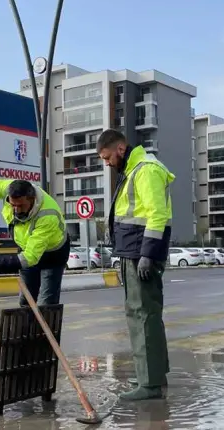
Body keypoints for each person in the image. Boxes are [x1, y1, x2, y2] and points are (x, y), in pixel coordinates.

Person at [96, 129, 174, 401]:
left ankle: (150, 384)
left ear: (120, 148)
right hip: (134, 252)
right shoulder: (133, 170)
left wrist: (147, 255)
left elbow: (157, 214)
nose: (106, 163)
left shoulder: (145, 170)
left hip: (141, 254)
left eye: (107, 157)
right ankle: (152, 374)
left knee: (142, 317)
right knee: (145, 315)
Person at [0, 178, 70, 307]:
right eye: (13, 205)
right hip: (26, 248)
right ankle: (27, 327)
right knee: (26, 300)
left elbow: (30, 258)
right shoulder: (10, 188)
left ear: (32, 199)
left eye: (21, 206)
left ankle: (46, 326)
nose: (16, 210)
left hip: (52, 256)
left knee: (46, 304)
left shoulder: (47, 216)